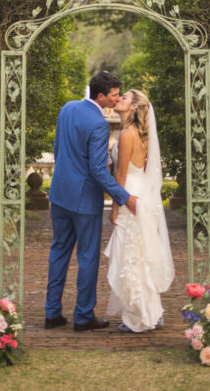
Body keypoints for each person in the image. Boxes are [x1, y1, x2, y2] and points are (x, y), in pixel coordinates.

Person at [45, 71, 137, 332]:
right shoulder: (98, 123)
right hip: (84, 200)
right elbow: (97, 170)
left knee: (58, 253)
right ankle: (83, 316)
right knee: (87, 258)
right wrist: (124, 196)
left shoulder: (67, 108)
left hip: (59, 194)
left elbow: (59, 149)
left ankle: (52, 313)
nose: (117, 98)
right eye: (114, 95)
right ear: (101, 96)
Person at [104, 89, 175, 332]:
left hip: (129, 197)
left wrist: (115, 208)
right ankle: (151, 311)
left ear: (134, 107)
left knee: (130, 256)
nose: (119, 99)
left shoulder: (127, 134)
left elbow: (121, 175)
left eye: (125, 97)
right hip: (142, 194)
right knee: (141, 254)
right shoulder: (141, 134)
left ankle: (138, 317)